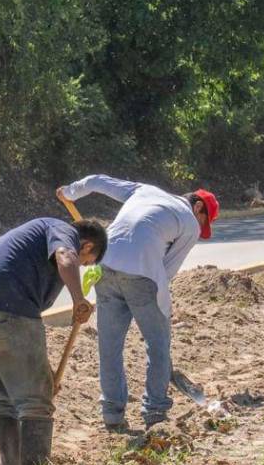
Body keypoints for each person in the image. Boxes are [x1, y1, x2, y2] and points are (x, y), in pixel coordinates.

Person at [57, 177, 218, 432]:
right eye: (204, 221)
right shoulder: (189, 223)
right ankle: (155, 412)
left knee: (109, 346)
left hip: (104, 267)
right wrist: (161, 311)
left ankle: (112, 414)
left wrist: (69, 191)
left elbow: (98, 181)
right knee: (158, 345)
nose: (201, 227)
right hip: (142, 277)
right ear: (198, 207)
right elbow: (167, 271)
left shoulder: (145, 190)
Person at [0, 217, 108, 465]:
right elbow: (65, 257)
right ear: (86, 245)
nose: (81, 265)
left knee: (3, 399)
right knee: (36, 402)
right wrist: (78, 299)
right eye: (86, 261)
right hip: (10, 307)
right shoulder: (63, 231)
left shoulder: (37, 233)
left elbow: (20, 350)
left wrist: (45, 375)